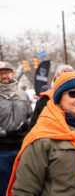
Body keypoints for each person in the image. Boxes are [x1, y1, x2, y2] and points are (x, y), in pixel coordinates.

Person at [0, 61, 32, 196]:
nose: (4, 76)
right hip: (2, 151)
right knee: (4, 187)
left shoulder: (23, 95)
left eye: (6, 72)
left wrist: (27, 124)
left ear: (13, 74)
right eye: (0, 74)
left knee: (22, 186)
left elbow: (31, 116)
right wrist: (6, 133)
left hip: (23, 149)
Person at [29, 64, 74, 130]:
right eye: (61, 78)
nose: (64, 82)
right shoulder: (44, 100)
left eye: (68, 79)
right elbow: (33, 126)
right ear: (55, 80)